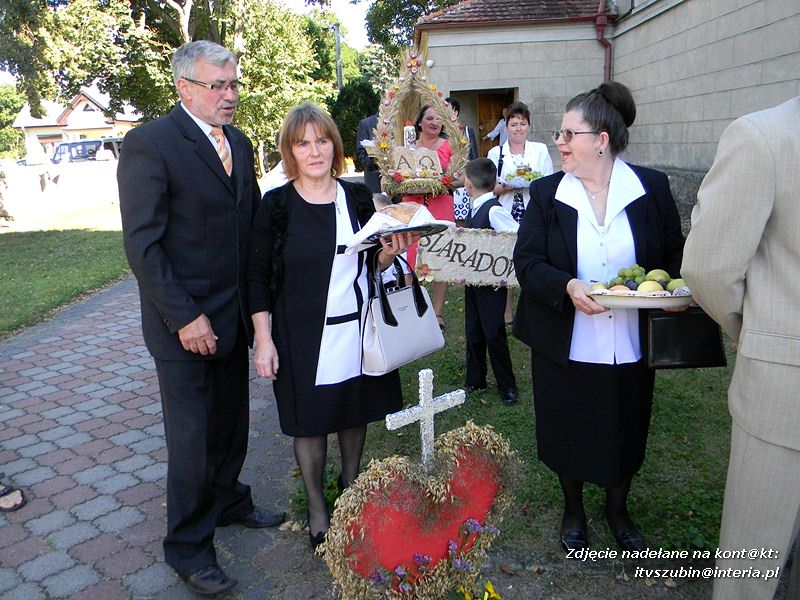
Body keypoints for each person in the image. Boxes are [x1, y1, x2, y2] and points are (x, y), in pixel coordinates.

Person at [118, 40, 284, 596]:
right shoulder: (150, 144)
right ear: (184, 87)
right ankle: (188, 547)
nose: (231, 95)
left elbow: (255, 222)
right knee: (191, 440)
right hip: (183, 325)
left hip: (233, 317)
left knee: (231, 422)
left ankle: (230, 500)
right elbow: (143, 246)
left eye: (235, 84)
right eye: (219, 86)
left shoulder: (238, 141)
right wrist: (184, 317)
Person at [513, 82, 684, 553]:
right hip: (565, 341)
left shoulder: (652, 188)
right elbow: (527, 263)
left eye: (569, 133)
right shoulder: (546, 193)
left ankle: (617, 508)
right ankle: (574, 508)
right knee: (566, 425)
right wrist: (567, 286)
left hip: (630, 340)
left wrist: (672, 290)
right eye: (560, 133)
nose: (560, 142)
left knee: (627, 425)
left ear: (602, 139)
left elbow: (673, 256)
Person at [247, 103, 414, 550]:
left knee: (352, 411)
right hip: (300, 335)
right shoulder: (276, 205)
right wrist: (263, 340)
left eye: (322, 140)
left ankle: (351, 486)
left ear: (335, 146)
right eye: (303, 143)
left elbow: (372, 263)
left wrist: (387, 254)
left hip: (357, 326)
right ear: (290, 151)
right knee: (309, 423)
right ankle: (318, 505)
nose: (315, 151)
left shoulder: (357, 197)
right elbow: (257, 277)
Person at [681, 96, 800, 600]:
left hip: (784, 382)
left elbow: (709, 269)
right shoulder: (769, 137)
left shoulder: (763, 135)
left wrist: (754, 332)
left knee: (749, 571)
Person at [487, 101, 554, 326]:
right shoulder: (496, 153)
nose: (518, 129)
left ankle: (533, 308)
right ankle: (506, 310)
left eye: (522, 124)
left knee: (535, 258)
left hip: (532, 211)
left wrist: (530, 183)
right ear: (506, 127)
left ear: (529, 126)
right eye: (513, 124)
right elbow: (490, 188)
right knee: (507, 258)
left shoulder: (540, 150)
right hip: (505, 212)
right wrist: (507, 185)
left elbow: (547, 182)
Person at [462, 158, 518, 405]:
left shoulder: (494, 210)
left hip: (490, 284)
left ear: (469, 184)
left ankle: (507, 385)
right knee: (473, 330)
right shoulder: (474, 206)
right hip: (472, 282)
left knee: (493, 332)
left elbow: (515, 235)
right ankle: (476, 379)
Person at [403, 104, 455, 331]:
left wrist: (442, 182)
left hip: (441, 205)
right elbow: (400, 177)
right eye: (430, 118)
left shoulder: (449, 146)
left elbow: (459, 178)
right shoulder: (408, 147)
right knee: (411, 257)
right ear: (420, 122)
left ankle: (437, 312)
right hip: (413, 205)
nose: (435, 122)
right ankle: (412, 308)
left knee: (439, 257)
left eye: (439, 118)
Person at [445, 97, 478, 226]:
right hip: (446, 183)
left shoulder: (466, 131)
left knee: (463, 220)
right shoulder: (440, 134)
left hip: (464, 182)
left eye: (449, 110)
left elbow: (474, 156)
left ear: (456, 112)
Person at [356, 113, 381, 195]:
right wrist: (377, 160)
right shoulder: (367, 123)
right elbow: (361, 154)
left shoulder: (403, 122)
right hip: (376, 181)